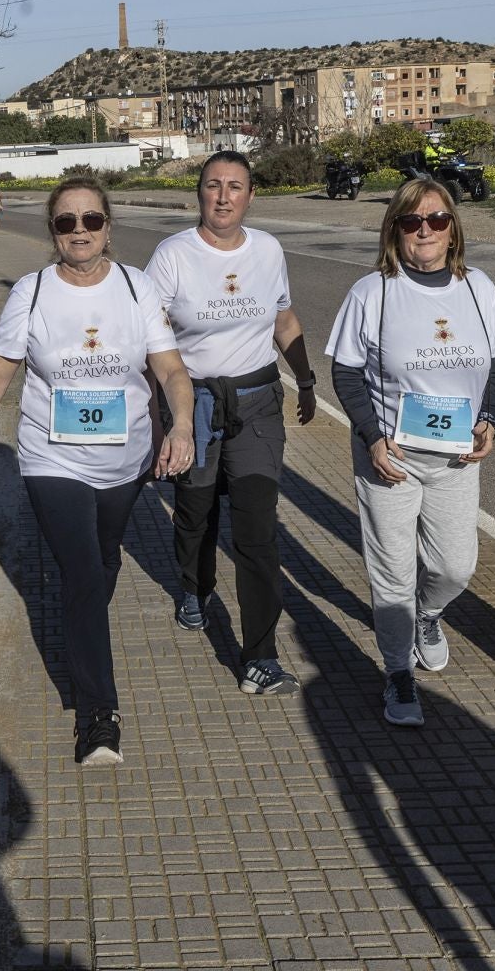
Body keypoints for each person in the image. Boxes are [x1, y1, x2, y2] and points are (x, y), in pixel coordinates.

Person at [0, 177, 196, 767]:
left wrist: (180, 425)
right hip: (50, 457)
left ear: (107, 227)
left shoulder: (137, 289)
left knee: (104, 560)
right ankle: (97, 714)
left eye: (90, 220)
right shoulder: (31, 295)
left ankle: (85, 631)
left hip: (126, 460)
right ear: (52, 232)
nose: (79, 232)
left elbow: (171, 371)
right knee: (82, 573)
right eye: (66, 222)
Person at [324, 177, 495, 728]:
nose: (425, 231)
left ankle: (429, 613)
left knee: (456, 566)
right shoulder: (373, 292)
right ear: (395, 231)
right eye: (411, 222)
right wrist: (371, 437)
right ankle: (396, 671)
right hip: (393, 458)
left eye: (436, 219)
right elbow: (346, 370)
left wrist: (492, 418)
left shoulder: (478, 287)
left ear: (453, 228)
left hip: (455, 458)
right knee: (391, 572)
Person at [145, 150, 317, 696]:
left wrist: (307, 378)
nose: (223, 196)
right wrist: (160, 418)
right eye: (213, 185)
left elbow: (283, 317)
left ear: (250, 196)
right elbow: (149, 337)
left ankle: (260, 657)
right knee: (194, 514)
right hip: (192, 405)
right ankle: (194, 587)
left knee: (257, 531)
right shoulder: (172, 256)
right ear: (198, 192)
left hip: (259, 401)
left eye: (235, 186)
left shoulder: (268, 250)